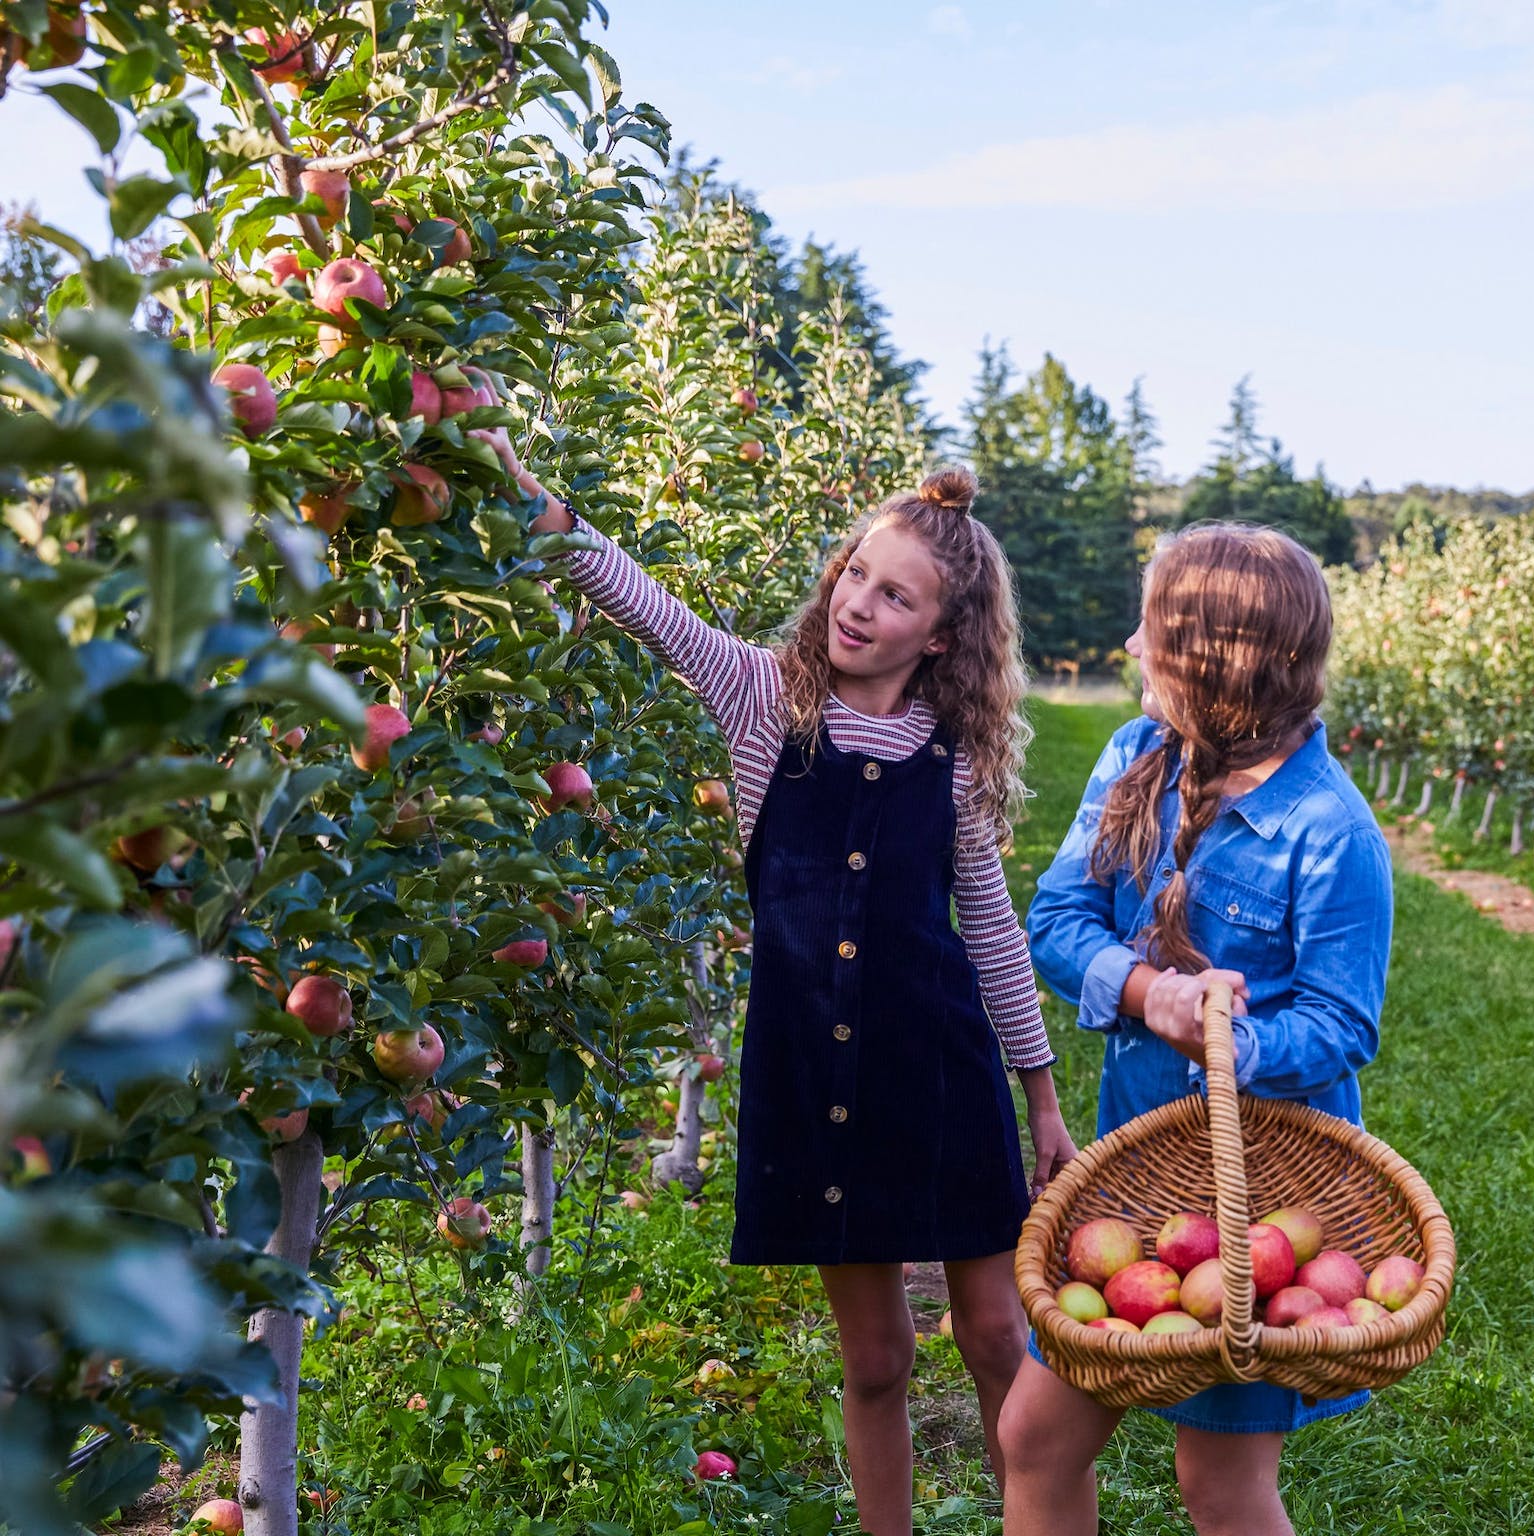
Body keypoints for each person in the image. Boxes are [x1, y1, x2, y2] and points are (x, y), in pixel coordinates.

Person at [481, 436, 1080, 1536]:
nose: (857, 603)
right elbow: (645, 606)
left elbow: (989, 928)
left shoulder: (950, 756)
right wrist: (536, 501)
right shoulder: (764, 699)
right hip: (816, 1072)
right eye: (854, 572)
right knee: (875, 1359)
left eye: (893, 596)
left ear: (941, 635)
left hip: (938, 1067)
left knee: (996, 1335)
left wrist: (1038, 1094)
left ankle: (1028, 1518)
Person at [1000, 523, 1394, 1536]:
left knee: (1217, 1487)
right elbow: (1055, 920)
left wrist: (1226, 1044)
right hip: (1136, 1178)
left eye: (1151, 628)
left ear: (1210, 661)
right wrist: (1144, 994)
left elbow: (1341, 1025)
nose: (1129, 644)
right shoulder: (1138, 756)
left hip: (1257, 1206)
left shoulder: (1331, 833)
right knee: (1034, 1438)